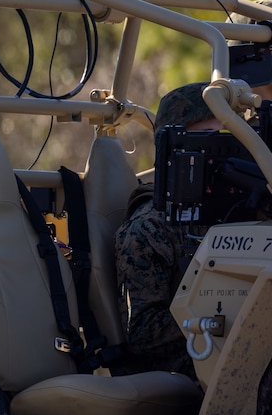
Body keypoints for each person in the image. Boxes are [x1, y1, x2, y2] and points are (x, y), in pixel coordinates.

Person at [114, 76, 272, 378]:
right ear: (175, 148)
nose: (221, 154)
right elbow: (143, 333)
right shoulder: (149, 228)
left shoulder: (242, 211)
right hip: (194, 363)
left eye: (228, 140)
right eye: (209, 140)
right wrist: (224, 316)